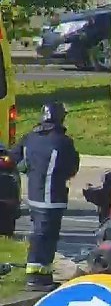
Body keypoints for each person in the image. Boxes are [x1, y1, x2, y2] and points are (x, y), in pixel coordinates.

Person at [10, 101, 80, 292]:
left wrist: (30, 168)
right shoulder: (63, 142)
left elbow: (14, 159)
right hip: (53, 198)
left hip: (34, 197)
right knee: (45, 238)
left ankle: (43, 276)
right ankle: (36, 278)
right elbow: (72, 168)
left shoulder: (30, 138)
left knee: (39, 235)